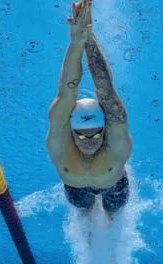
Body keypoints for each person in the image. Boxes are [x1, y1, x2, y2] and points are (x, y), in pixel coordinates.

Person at [46, 0, 132, 221]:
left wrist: (87, 40)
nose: (89, 140)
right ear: (70, 130)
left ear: (106, 129)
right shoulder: (59, 138)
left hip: (114, 185)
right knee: (84, 216)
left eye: (96, 132)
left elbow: (105, 89)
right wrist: (76, 42)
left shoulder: (117, 143)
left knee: (113, 217)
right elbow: (67, 91)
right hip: (75, 188)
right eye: (81, 134)